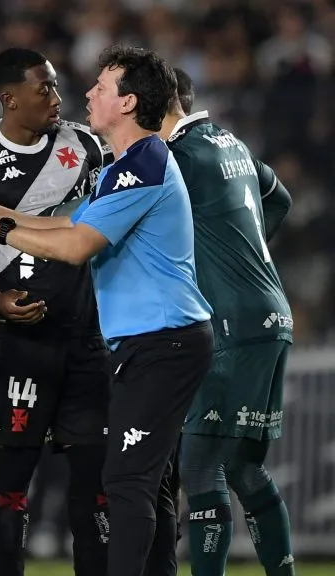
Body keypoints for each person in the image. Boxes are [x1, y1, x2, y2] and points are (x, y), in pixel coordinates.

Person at [0, 45, 215, 576]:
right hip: (143, 343)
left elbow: (75, 246)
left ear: (129, 102)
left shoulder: (141, 162)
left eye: (102, 87)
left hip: (163, 341)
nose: (83, 93)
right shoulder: (128, 164)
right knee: (138, 480)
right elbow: (64, 224)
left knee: (126, 482)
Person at [0, 47, 111, 576]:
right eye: (45, 89)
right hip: (21, 343)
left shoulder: (86, 145)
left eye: (58, 86)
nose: (57, 99)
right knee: (15, 474)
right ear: (9, 98)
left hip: (86, 334)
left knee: (93, 479)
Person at [158, 68, 296, 576]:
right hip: (273, 311)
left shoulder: (180, 155)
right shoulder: (230, 143)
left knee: (199, 465)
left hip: (232, 324)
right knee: (243, 465)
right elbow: (280, 199)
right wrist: (243, 258)